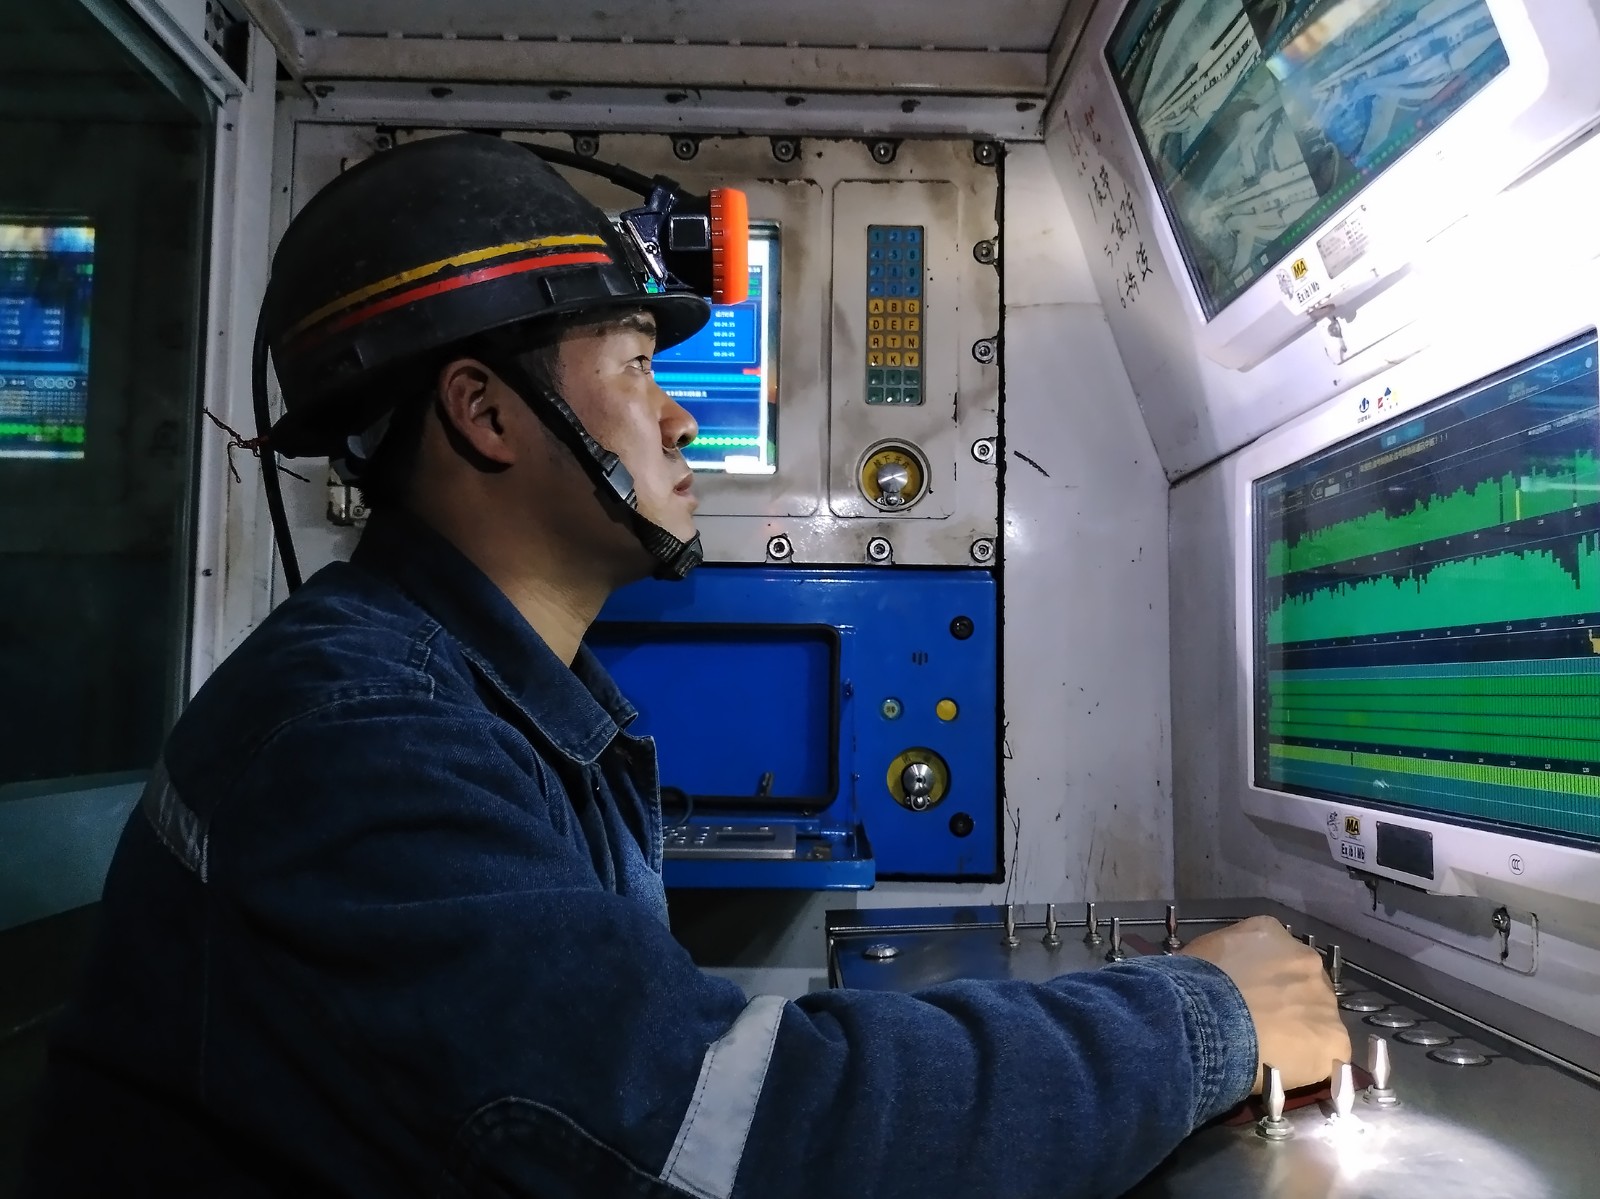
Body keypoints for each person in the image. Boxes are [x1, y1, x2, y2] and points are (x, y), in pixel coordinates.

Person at [21, 133, 1348, 1198]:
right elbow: (717, 1140)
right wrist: (1206, 1020)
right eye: (637, 367)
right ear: (485, 414)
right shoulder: (356, 738)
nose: (676, 419)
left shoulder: (486, 706)